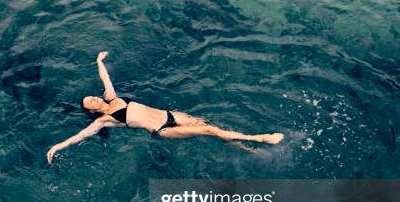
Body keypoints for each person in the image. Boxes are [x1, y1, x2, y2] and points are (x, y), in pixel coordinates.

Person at [46, 51, 284, 163]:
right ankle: (261, 139)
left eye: (93, 97)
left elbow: (105, 78)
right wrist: (57, 147)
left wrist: (98, 61)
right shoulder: (104, 121)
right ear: (91, 111)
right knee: (209, 131)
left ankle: (249, 150)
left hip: (171, 115)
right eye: (92, 103)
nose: (96, 100)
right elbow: (80, 136)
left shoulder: (112, 97)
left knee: (210, 126)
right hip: (163, 130)